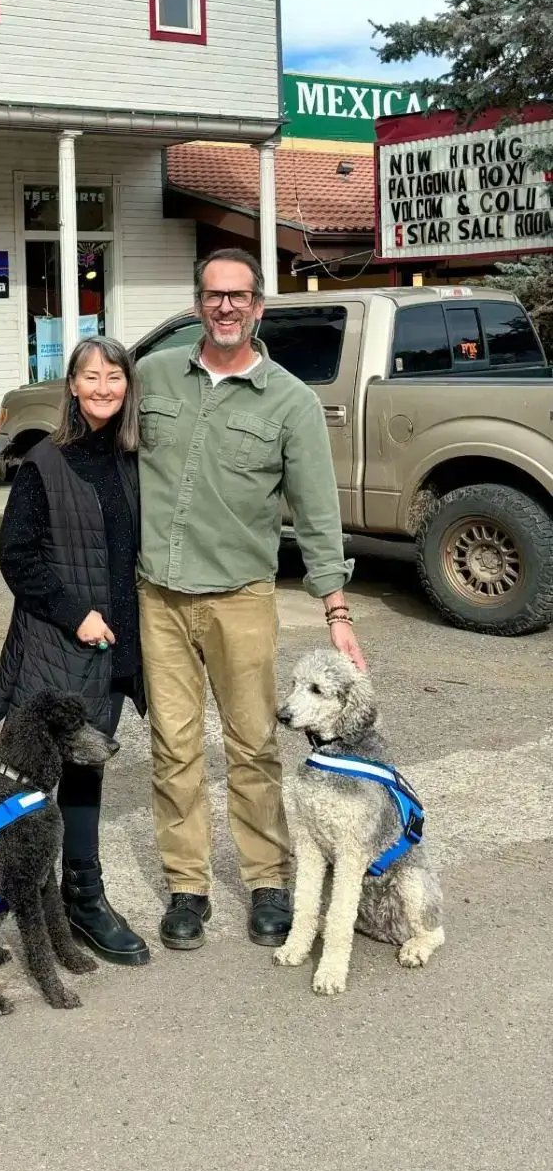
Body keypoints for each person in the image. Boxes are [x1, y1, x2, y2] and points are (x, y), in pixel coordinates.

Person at [136, 248, 364, 954]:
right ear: (200, 302)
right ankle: (187, 886)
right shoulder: (151, 376)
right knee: (173, 747)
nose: (226, 306)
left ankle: (267, 879)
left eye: (239, 295)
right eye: (214, 294)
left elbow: (318, 513)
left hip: (241, 597)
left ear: (258, 306)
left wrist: (337, 611)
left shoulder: (290, 400)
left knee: (254, 745)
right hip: (159, 598)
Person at [0, 336, 150, 966]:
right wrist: (73, 613)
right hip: (58, 646)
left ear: (128, 386)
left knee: (87, 773)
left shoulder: (134, 460)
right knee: (33, 785)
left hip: (112, 650)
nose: (103, 386)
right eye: (91, 376)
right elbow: (17, 555)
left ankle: (83, 900)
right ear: (73, 388)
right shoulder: (45, 463)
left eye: (114, 375)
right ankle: (10, 905)